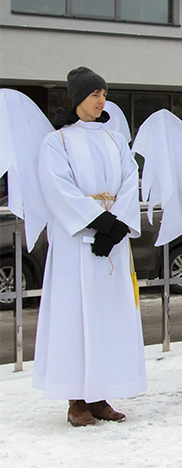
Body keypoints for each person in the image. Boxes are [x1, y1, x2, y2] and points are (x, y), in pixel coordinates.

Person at [35, 67, 145, 426]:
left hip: (110, 243)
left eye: (104, 93)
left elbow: (131, 180)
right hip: (76, 244)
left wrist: (115, 229)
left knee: (107, 318)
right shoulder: (58, 141)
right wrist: (99, 222)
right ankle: (76, 399)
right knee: (76, 318)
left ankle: (100, 394)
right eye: (94, 94)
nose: (101, 100)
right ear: (77, 98)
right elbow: (57, 187)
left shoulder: (114, 139)